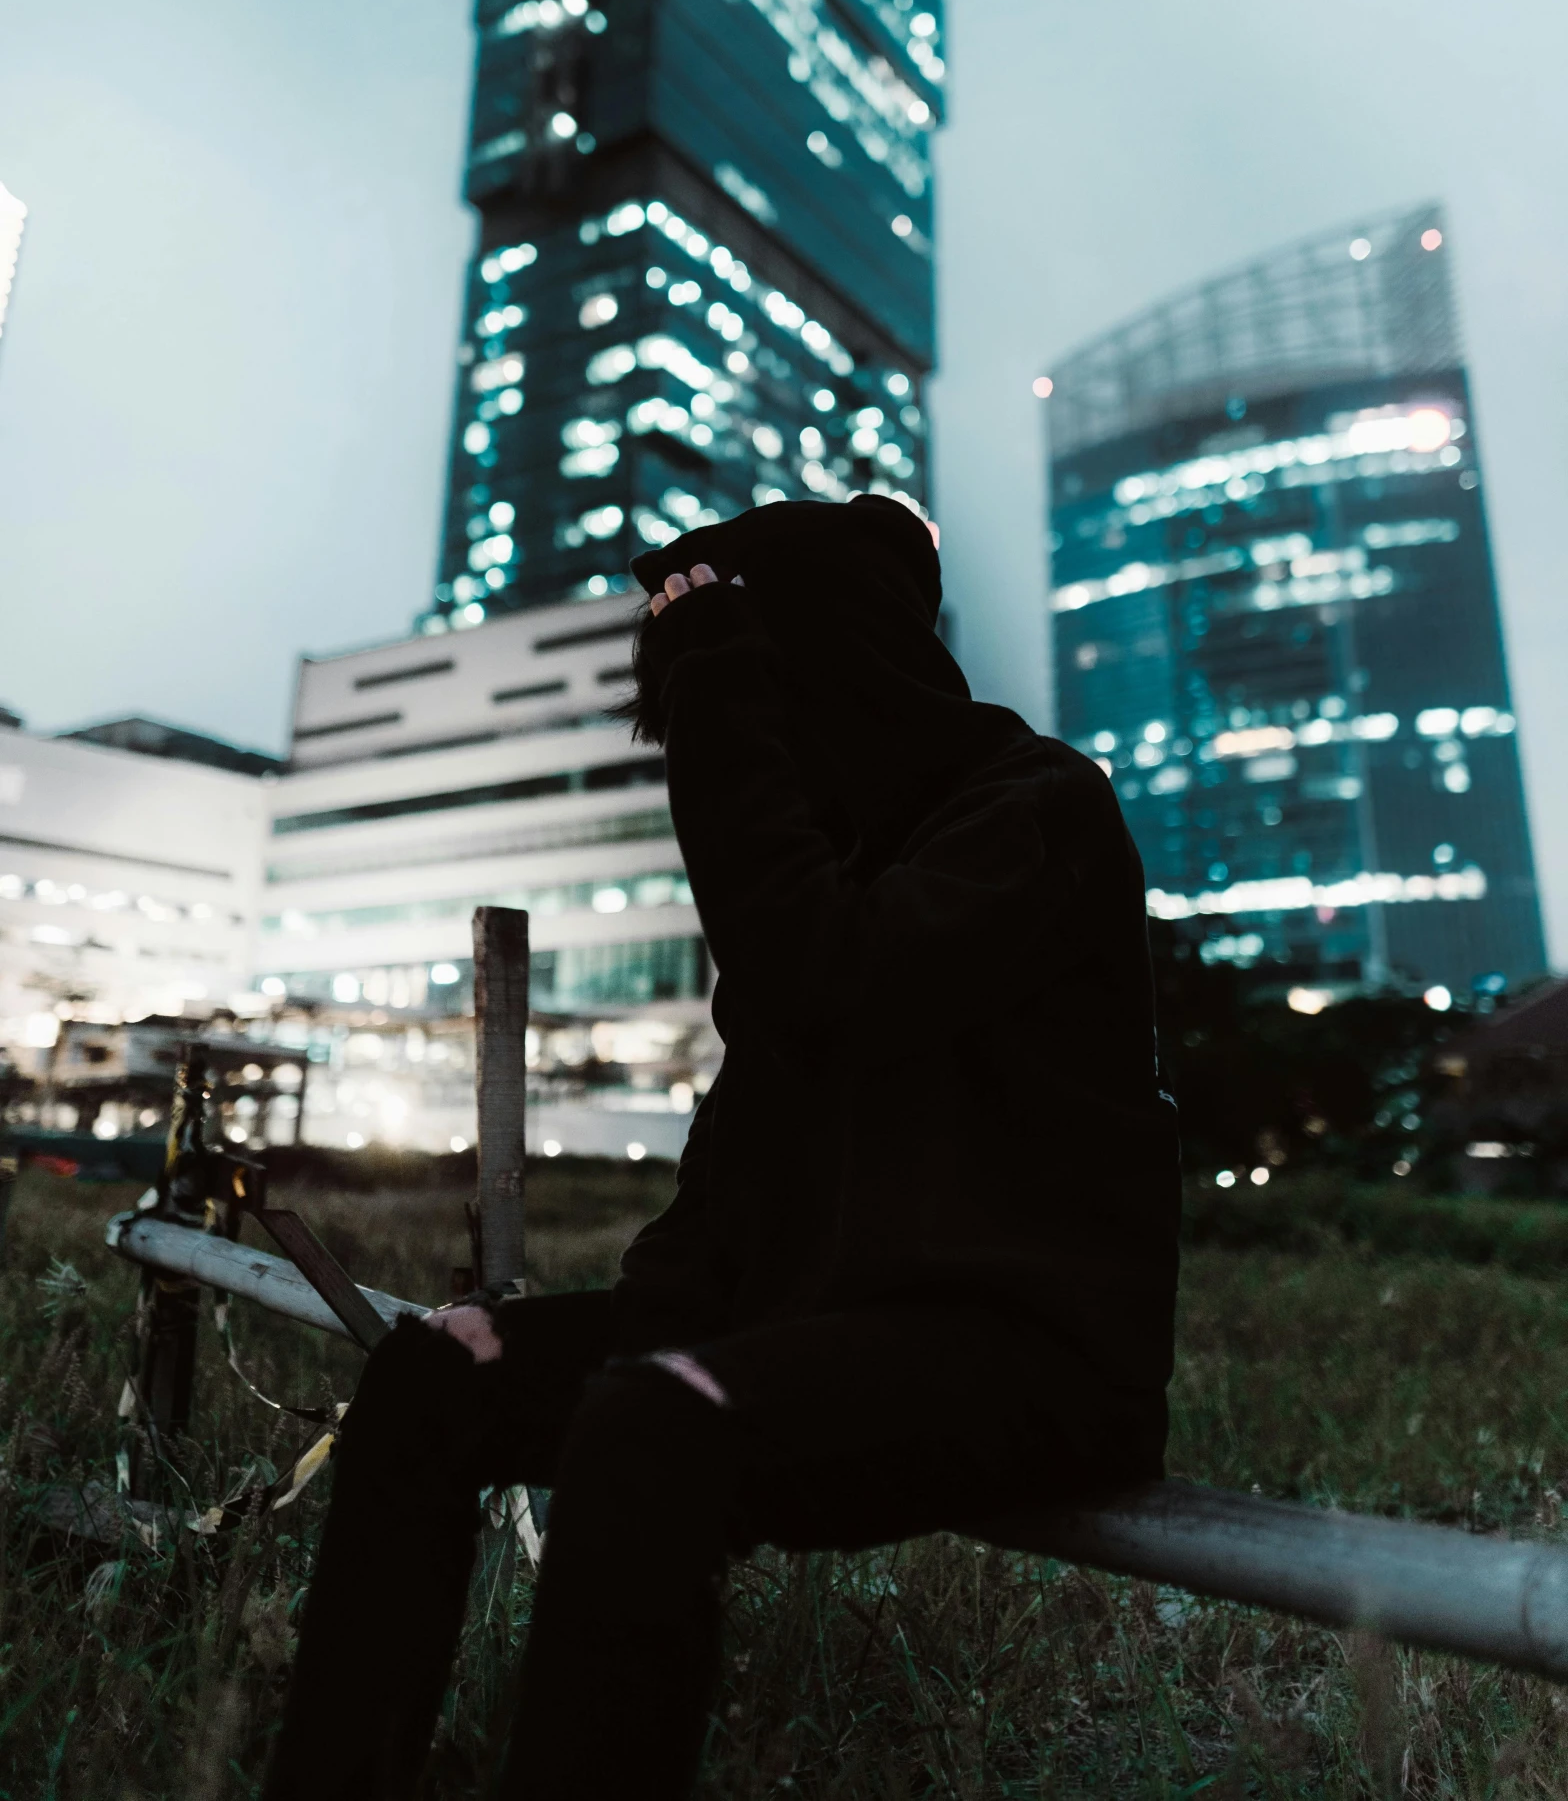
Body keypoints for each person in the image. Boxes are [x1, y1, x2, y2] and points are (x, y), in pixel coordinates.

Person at [262, 493, 1179, 1800]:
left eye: (752, 727)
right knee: (428, 1372)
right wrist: (598, 1328)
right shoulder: (832, 868)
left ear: (829, 689)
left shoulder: (1037, 812)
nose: (738, 773)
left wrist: (720, 702)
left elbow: (827, 984)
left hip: (1024, 1353)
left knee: (651, 1428)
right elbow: (757, 1159)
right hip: (829, 1328)